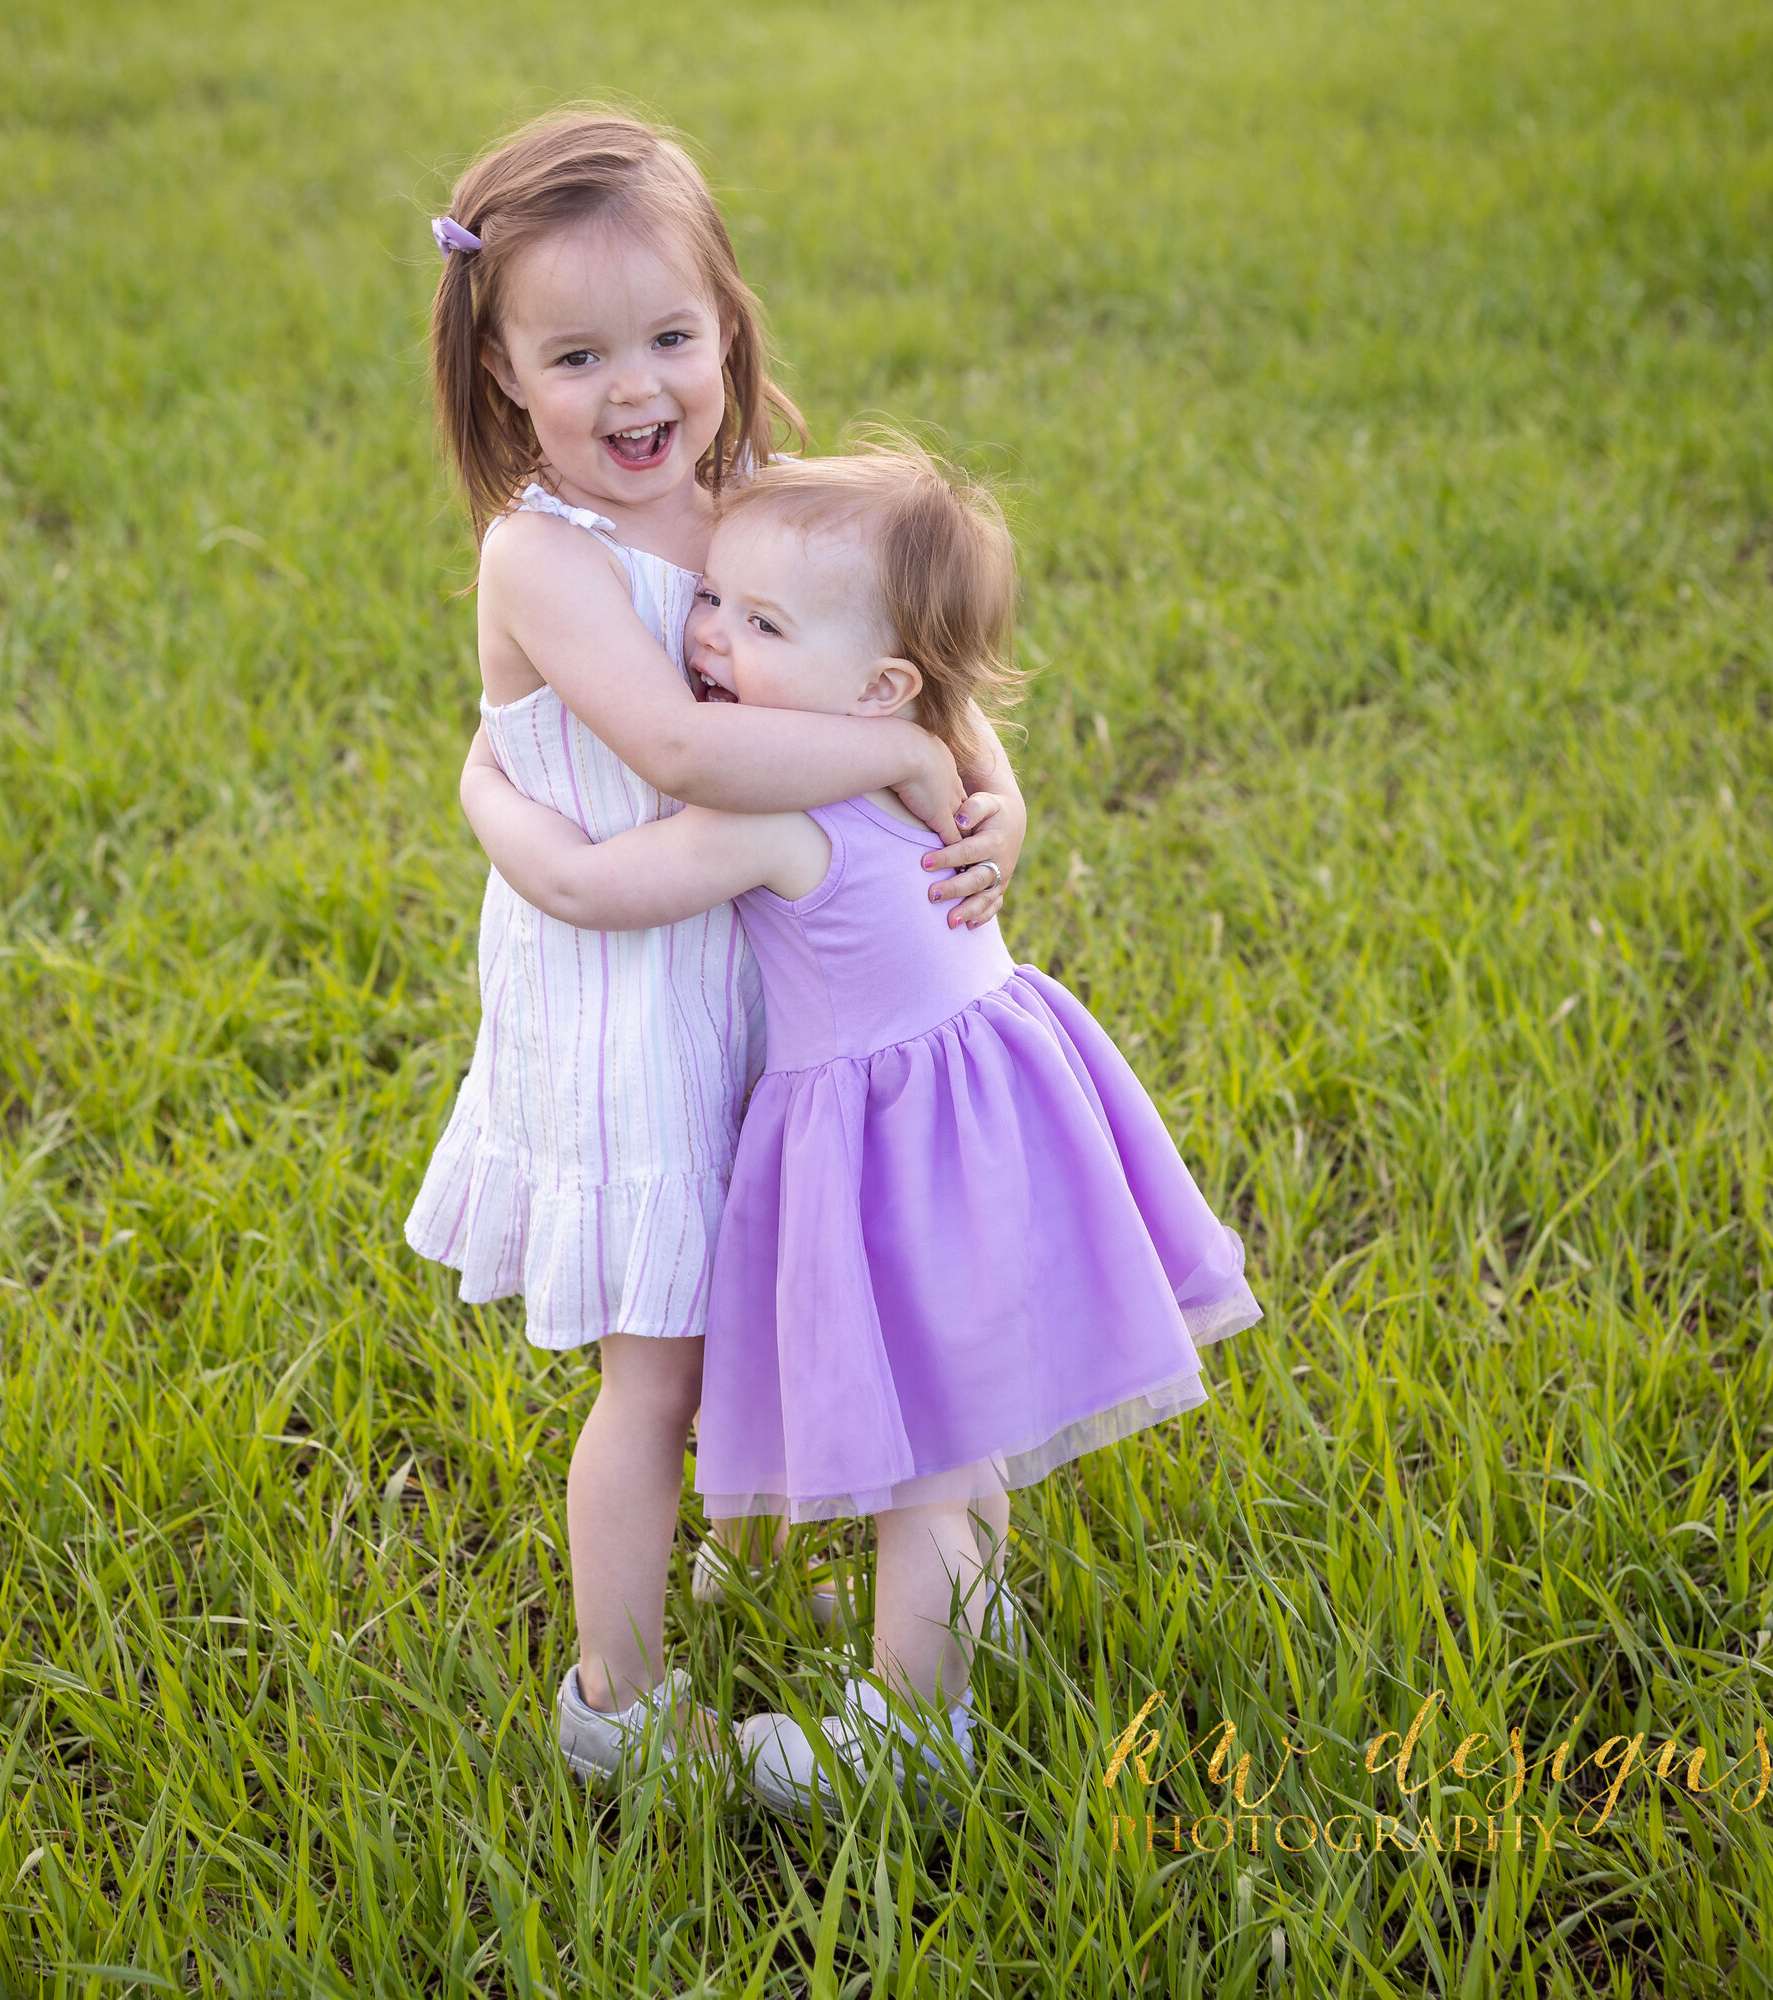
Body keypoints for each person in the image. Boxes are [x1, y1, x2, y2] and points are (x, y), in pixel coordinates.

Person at [460, 441, 1261, 1816]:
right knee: (962, 1422)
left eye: (757, 625)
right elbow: (955, 749)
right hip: (996, 1111)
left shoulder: (779, 812)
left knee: (925, 1475)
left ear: (881, 688)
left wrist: (485, 786)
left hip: (898, 1149)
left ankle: (909, 1730)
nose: (706, 635)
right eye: (712, 599)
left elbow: (590, 890)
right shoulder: (920, 775)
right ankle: (966, 1627)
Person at [403, 110, 1029, 1785]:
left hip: (779, 993)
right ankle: (617, 1702)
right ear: (502, 375)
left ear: (728, 335)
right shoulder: (538, 556)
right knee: (659, 1372)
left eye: (671, 339)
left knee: (798, 1306)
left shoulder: (760, 508)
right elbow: (679, 758)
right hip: (628, 1006)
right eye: (579, 353)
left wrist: (987, 785)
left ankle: (877, 1596)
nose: (637, 391)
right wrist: (895, 767)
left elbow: (921, 664)